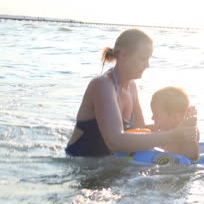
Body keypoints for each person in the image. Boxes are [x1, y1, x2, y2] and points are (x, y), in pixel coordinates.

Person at [65, 29, 197, 157]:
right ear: (123, 55)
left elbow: (140, 132)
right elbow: (115, 141)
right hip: (81, 165)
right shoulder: (102, 85)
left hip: (108, 163)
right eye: (143, 59)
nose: (147, 65)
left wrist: (179, 128)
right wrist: (172, 136)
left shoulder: (131, 87)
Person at [149, 86, 199, 160]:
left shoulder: (189, 132)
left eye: (156, 115)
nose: (152, 118)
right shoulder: (160, 130)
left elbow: (191, 158)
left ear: (175, 116)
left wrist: (189, 125)